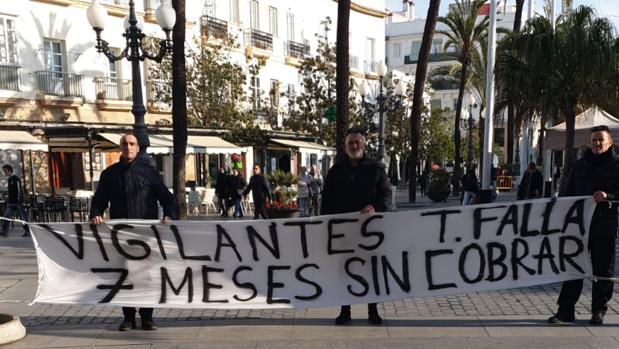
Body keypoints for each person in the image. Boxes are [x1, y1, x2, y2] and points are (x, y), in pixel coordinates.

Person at [90, 134, 176, 332]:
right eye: (124, 144)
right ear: (120, 148)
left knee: (147, 276)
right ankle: (128, 318)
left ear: (138, 148)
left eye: (132, 144)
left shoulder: (150, 172)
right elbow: (99, 200)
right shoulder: (109, 174)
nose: (128, 147)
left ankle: (147, 317)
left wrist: (169, 215)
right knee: (125, 276)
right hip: (121, 236)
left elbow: (166, 198)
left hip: (146, 236)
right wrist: (96, 214)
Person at [548, 125, 619, 326]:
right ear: (589, 142)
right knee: (573, 267)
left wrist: (608, 196)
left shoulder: (616, 165)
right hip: (577, 226)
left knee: (603, 270)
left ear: (610, 142)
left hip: (604, 226)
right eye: (594, 140)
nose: (597, 143)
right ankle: (565, 311)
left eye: (601, 140)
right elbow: (568, 193)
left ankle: (598, 311)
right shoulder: (581, 165)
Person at [321, 128, 393, 325]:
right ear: (345, 147)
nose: (354, 146)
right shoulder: (336, 171)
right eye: (350, 143)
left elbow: (387, 198)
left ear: (364, 144)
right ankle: (345, 310)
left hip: (370, 232)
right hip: (343, 233)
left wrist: (374, 207)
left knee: (371, 271)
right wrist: (324, 227)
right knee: (344, 271)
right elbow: (326, 201)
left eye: (357, 142)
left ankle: (373, 309)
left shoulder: (376, 169)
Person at [1, 165, 29, 237]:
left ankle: (27, 231)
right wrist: (7, 196)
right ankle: (4, 232)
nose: (4, 173)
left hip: (18, 202)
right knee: (6, 216)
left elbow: (19, 190)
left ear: (10, 171)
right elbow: (11, 191)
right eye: (4, 171)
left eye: (5, 171)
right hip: (10, 202)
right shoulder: (9, 180)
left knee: (23, 217)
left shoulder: (16, 179)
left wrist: (19, 200)